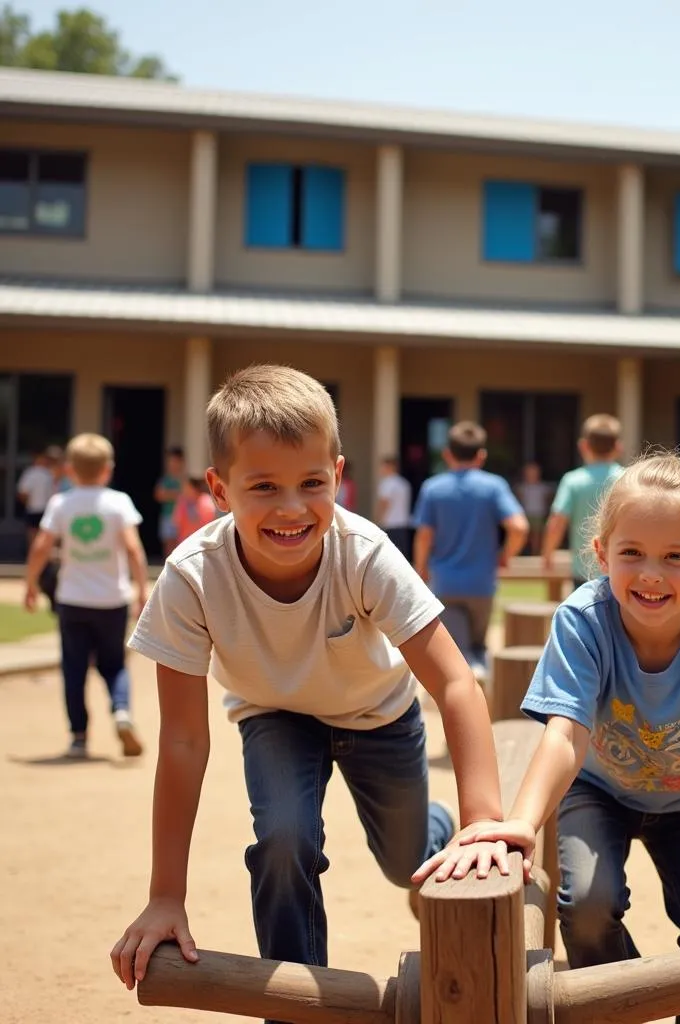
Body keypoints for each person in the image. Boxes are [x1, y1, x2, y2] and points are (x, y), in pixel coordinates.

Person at [109, 365, 508, 1001]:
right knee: (282, 841)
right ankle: (299, 1006)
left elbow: (456, 682)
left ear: (338, 477)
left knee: (408, 861)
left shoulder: (364, 554)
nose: (292, 508)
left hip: (378, 713)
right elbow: (183, 740)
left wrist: (481, 818)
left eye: (311, 484)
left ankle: (428, 827)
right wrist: (165, 896)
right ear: (219, 487)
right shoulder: (191, 577)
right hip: (276, 716)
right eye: (263, 486)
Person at [416, 452, 680, 1024]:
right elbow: (565, 734)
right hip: (600, 794)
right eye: (632, 553)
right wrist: (521, 823)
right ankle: (620, 1008)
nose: (651, 574)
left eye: (675, 557)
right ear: (601, 554)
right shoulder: (583, 621)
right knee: (586, 907)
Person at [22, 433, 147, 760]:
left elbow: (41, 548)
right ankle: (121, 712)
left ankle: (78, 738)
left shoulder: (62, 504)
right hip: (112, 600)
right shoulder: (118, 502)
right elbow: (134, 549)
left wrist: (31, 584)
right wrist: (141, 591)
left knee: (74, 669)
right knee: (115, 665)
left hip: (73, 599)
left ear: (70, 471)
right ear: (108, 469)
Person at [412, 421, 528, 676]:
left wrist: (421, 568)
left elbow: (424, 536)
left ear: (447, 454)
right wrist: (505, 556)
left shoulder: (433, 488)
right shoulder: (493, 486)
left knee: (456, 655)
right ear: (481, 455)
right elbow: (519, 527)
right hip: (481, 583)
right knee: (478, 649)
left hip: (445, 583)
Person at [543, 414, 624, 590]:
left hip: (583, 572)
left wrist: (547, 556)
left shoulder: (573, 480)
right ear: (618, 447)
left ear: (583, 446)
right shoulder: (628, 478)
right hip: (623, 569)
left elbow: (556, 523)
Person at [17, 446, 60, 548]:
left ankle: (34, 557)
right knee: (45, 534)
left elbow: (23, 493)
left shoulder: (31, 473)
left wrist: (27, 503)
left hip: (36, 508)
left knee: (34, 535)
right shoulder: (49, 473)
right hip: (45, 508)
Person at [375, 455, 413, 561]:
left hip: (390, 524)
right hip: (403, 524)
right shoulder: (404, 483)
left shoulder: (387, 483)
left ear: (390, 467)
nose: (381, 469)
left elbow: (384, 503)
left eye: (383, 467)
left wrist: (377, 520)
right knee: (403, 555)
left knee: (389, 557)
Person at [154, 446, 185, 558]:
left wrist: (169, 494)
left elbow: (187, 495)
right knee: (168, 544)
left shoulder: (184, 479)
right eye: (170, 461)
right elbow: (159, 495)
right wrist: (177, 494)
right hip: (168, 515)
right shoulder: (165, 479)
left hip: (183, 517)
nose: (172, 464)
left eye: (175, 461)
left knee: (181, 543)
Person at [515, 462, 551, 556]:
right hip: (525, 513)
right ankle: (522, 551)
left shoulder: (543, 487)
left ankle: (536, 552)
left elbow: (547, 500)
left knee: (537, 535)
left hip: (539, 513)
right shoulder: (521, 487)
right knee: (525, 534)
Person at [171, 476, 218, 544]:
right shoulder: (182, 501)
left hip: (202, 541)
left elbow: (209, 524)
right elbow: (176, 521)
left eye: (187, 487)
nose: (184, 490)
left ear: (194, 488)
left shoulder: (206, 501)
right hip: (184, 541)